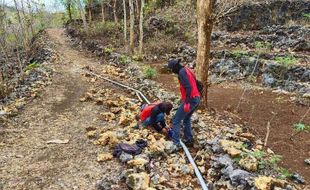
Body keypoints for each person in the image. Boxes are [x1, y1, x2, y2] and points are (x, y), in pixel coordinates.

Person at [167, 59, 201, 149]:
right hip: (196, 98)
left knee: (176, 120)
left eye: (171, 69)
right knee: (186, 118)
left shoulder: (181, 73)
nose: (172, 72)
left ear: (175, 67)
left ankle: (176, 143)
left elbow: (188, 87)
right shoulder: (187, 70)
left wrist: (186, 102)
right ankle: (188, 139)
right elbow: (196, 84)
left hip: (191, 99)